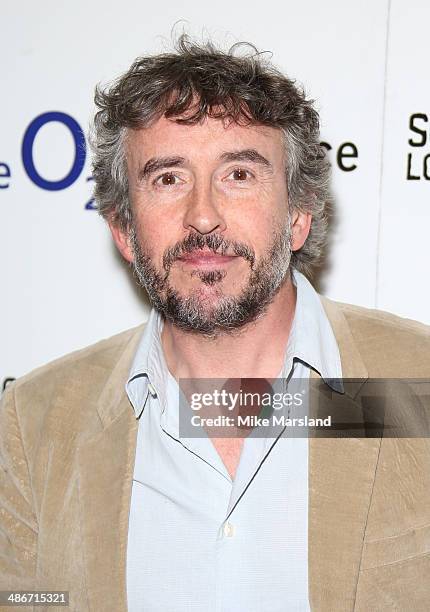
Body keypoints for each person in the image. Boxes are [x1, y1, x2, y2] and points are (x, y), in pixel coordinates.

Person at [1, 35, 430, 612]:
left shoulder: (419, 385)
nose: (202, 215)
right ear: (124, 230)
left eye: (238, 175)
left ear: (299, 215)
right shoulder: (34, 424)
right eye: (168, 178)